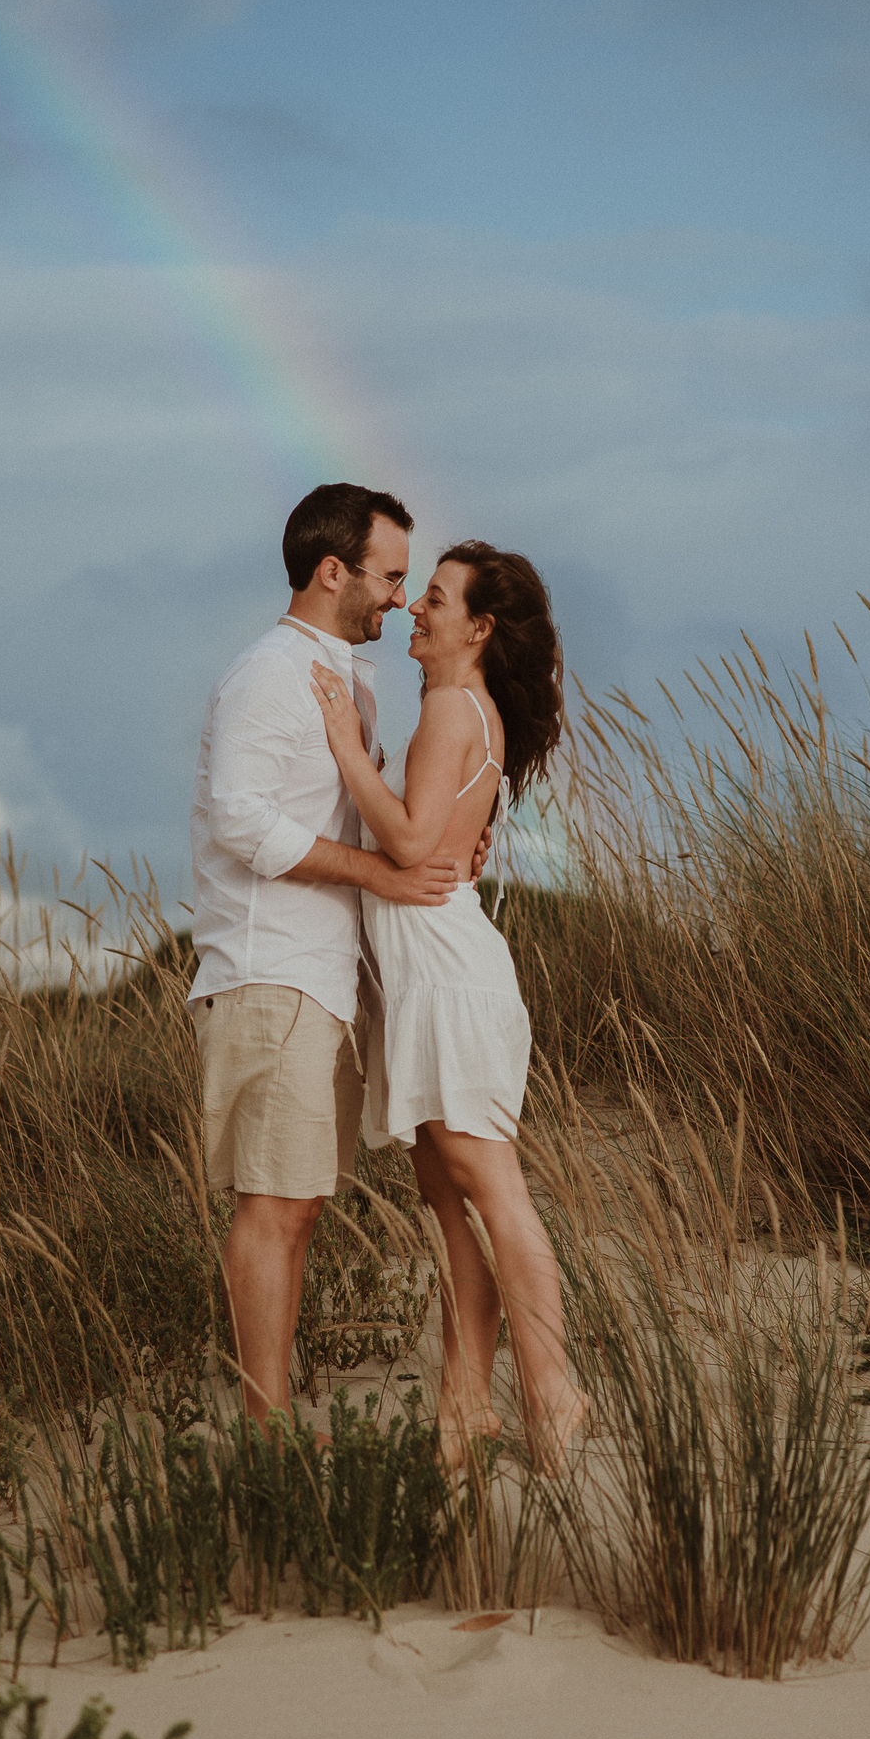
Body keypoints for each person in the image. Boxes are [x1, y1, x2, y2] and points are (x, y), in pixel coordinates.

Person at [187, 483, 472, 1436]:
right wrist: (375, 875)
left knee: (299, 1204)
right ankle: (264, 1440)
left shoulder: (351, 678)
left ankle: (270, 1422)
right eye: (390, 576)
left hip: (327, 977)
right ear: (331, 570)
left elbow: (369, 815)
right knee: (276, 1207)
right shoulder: (271, 671)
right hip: (271, 972)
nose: (400, 597)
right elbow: (240, 819)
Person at [310, 540, 589, 1472]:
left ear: (479, 628)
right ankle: (464, 1412)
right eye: (418, 594)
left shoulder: (445, 708)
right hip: (427, 980)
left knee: (495, 1195)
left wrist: (349, 751)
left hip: (449, 978)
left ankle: (556, 1396)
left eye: (433, 598)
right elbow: (439, 843)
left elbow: (411, 838)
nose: (416, 612)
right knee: (445, 1206)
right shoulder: (467, 713)